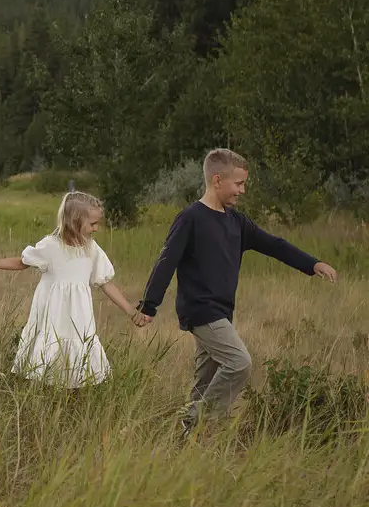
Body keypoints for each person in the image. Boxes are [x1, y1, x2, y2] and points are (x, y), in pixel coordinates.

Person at [136, 148, 338, 435]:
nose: (242, 190)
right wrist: (149, 305)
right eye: (239, 183)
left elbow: (275, 245)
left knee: (205, 381)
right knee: (239, 362)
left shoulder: (237, 222)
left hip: (222, 311)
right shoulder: (191, 218)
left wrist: (312, 263)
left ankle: (183, 441)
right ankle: (193, 418)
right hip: (200, 309)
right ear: (217, 180)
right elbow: (166, 262)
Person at [0, 190, 146, 386]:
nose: (96, 229)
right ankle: (44, 393)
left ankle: (71, 396)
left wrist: (131, 311)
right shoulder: (50, 246)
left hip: (78, 315)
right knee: (50, 351)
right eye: (93, 224)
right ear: (74, 221)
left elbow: (106, 283)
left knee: (77, 353)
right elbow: (23, 262)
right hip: (53, 313)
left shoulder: (92, 249)